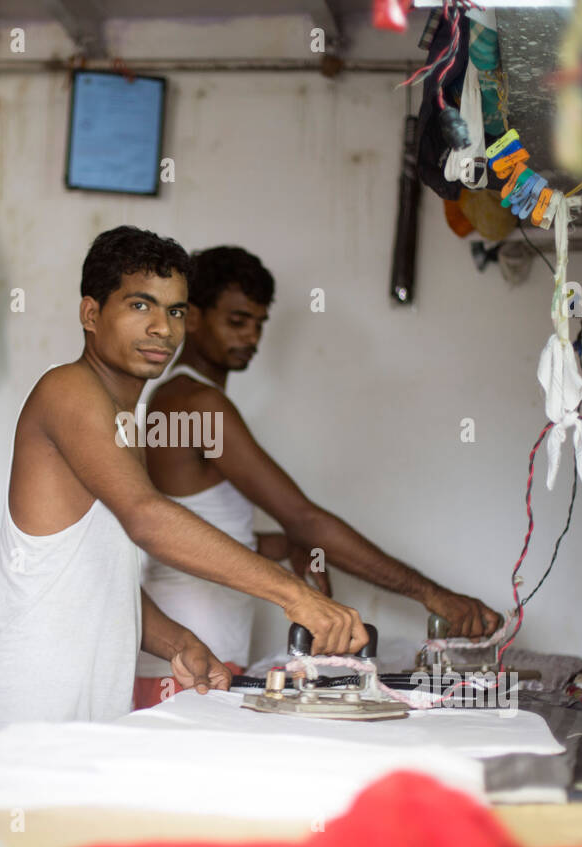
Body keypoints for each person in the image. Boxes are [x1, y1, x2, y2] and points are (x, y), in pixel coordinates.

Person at [0, 227, 370, 744]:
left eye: (176, 311)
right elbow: (147, 517)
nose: (162, 327)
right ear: (91, 314)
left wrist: (177, 640)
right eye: (141, 305)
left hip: (88, 723)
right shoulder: (67, 390)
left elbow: (95, 575)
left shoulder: (125, 423)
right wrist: (296, 597)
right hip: (27, 718)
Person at [134, 246, 501, 706]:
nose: (252, 336)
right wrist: (433, 594)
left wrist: (286, 546)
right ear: (193, 317)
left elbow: (204, 530)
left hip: (193, 662)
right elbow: (303, 517)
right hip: (190, 666)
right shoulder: (199, 404)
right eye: (237, 321)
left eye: (260, 323)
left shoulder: (172, 397)